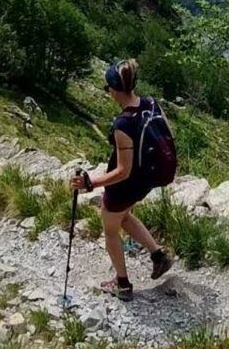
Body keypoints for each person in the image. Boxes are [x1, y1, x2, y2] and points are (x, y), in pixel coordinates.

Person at [70, 59, 173, 299]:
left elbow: (123, 171)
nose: (108, 93)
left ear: (115, 90)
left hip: (126, 185)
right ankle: (159, 255)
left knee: (111, 229)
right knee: (124, 217)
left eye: (108, 89)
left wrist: (91, 183)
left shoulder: (123, 124)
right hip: (146, 178)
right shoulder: (151, 104)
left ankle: (123, 284)